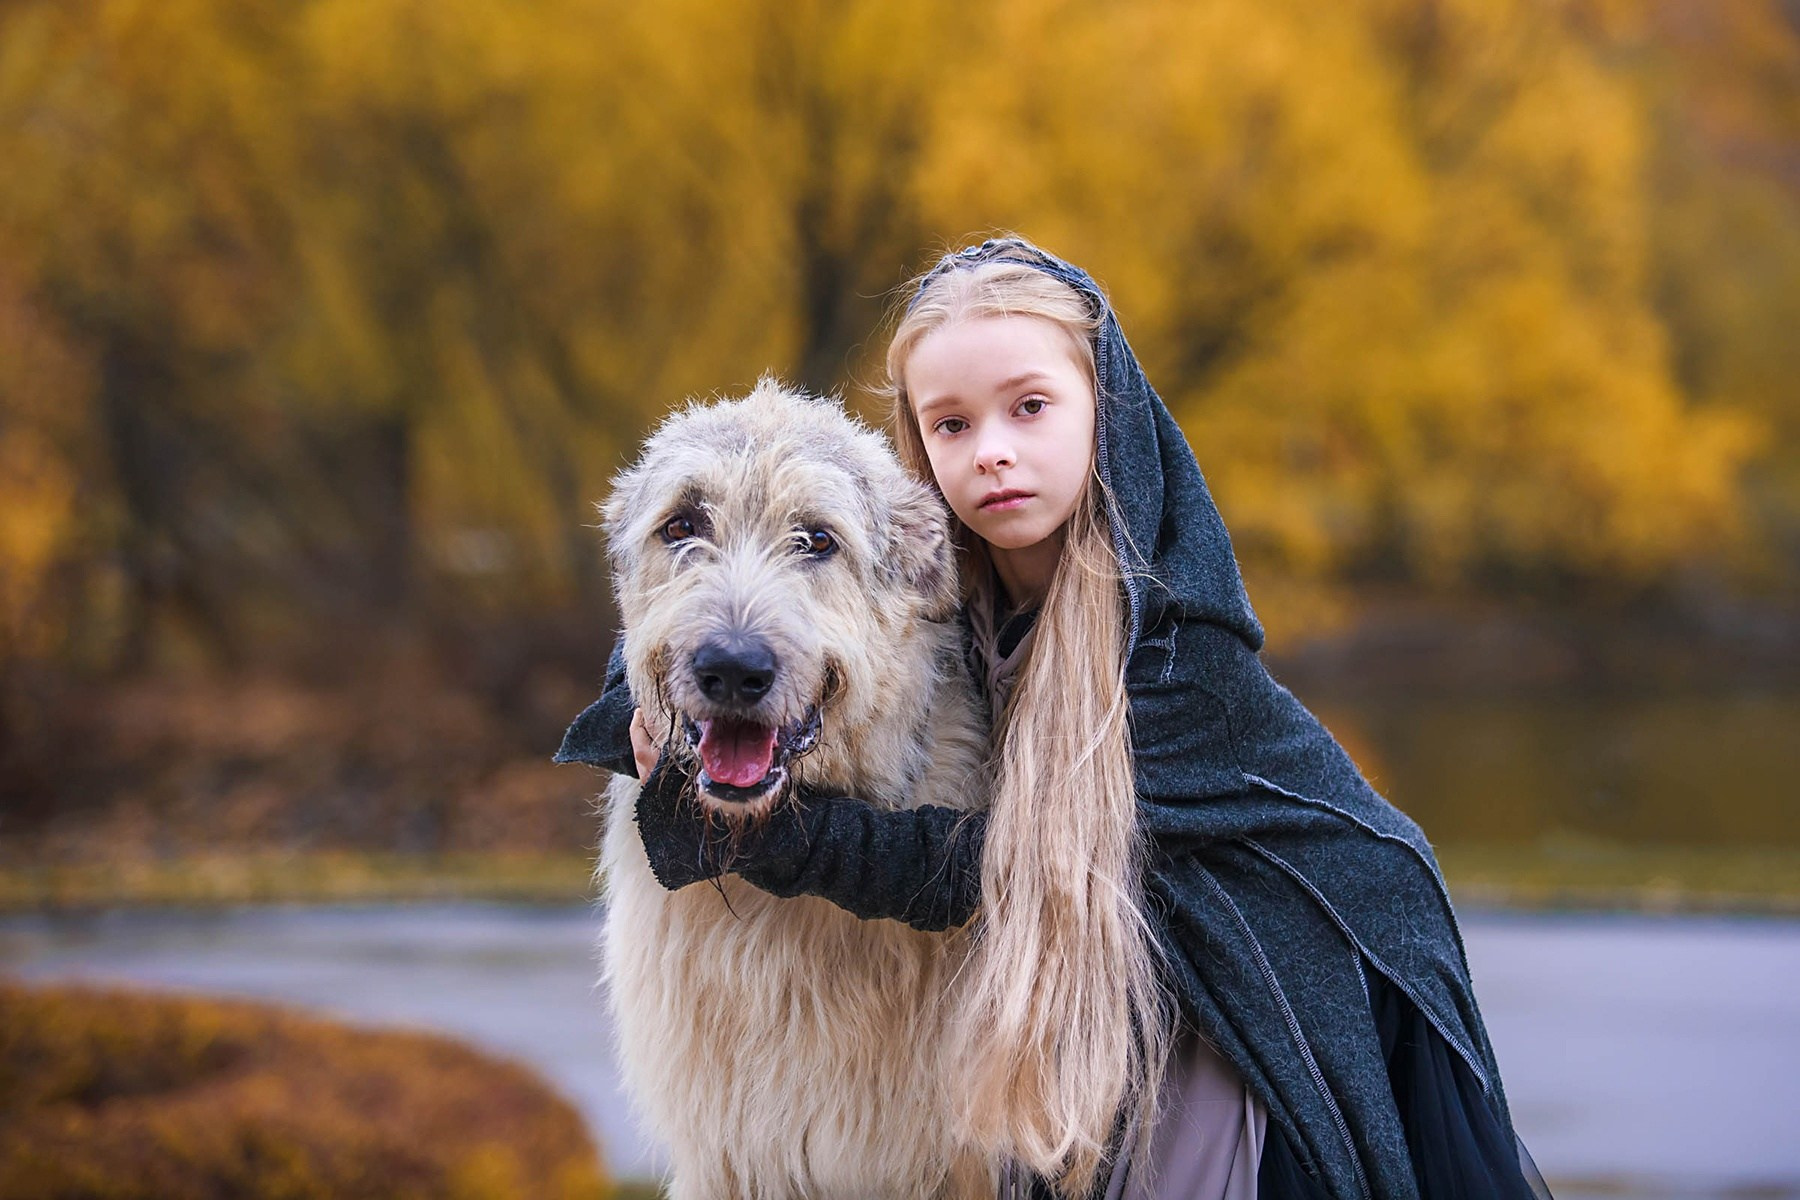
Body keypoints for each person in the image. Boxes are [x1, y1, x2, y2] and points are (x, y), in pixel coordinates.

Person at [556, 237, 1553, 1200]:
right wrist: (640, 699)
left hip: (1218, 1033)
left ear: (1104, 412)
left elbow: (995, 866)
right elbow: (708, 613)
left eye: (1029, 408)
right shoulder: (947, 565)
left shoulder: (1173, 650)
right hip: (1070, 1028)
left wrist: (770, 838)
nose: (992, 451)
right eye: (952, 424)